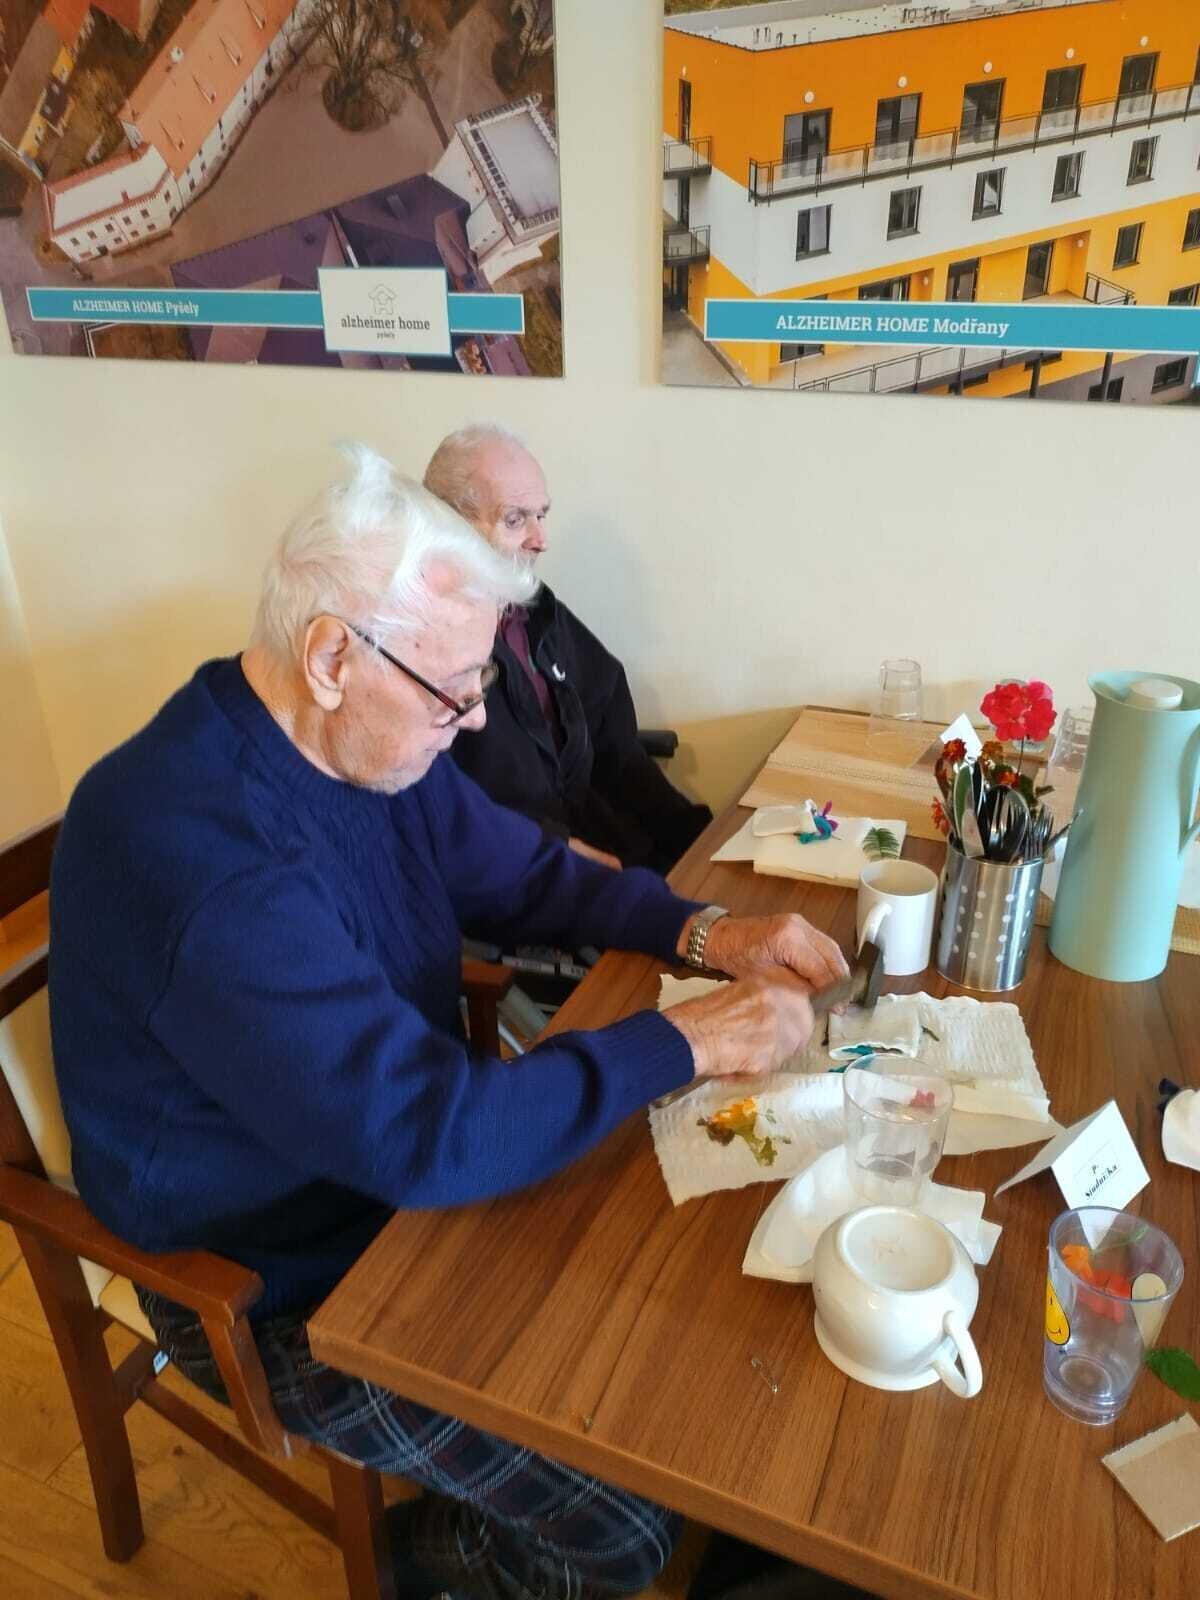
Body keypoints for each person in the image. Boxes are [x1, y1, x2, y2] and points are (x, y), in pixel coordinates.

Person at [50, 445, 848, 1600]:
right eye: (454, 689)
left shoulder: (364, 744)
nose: (473, 719)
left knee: (682, 1340)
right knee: (627, 1525)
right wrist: (696, 1037)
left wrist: (703, 930)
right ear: (333, 656)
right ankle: (414, 1564)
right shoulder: (202, 855)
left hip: (388, 1178)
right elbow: (427, 1132)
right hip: (271, 1279)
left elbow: (524, 871)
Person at [424, 424, 711, 876]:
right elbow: (439, 810)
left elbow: (618, 752)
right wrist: (556, 850)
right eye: (515, 520)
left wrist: (698, 839)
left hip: (600, 846)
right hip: (516, 872)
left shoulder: (534, 610)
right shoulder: (415, 643)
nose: (541, 540)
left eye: (541, 515)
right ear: (447, 523)